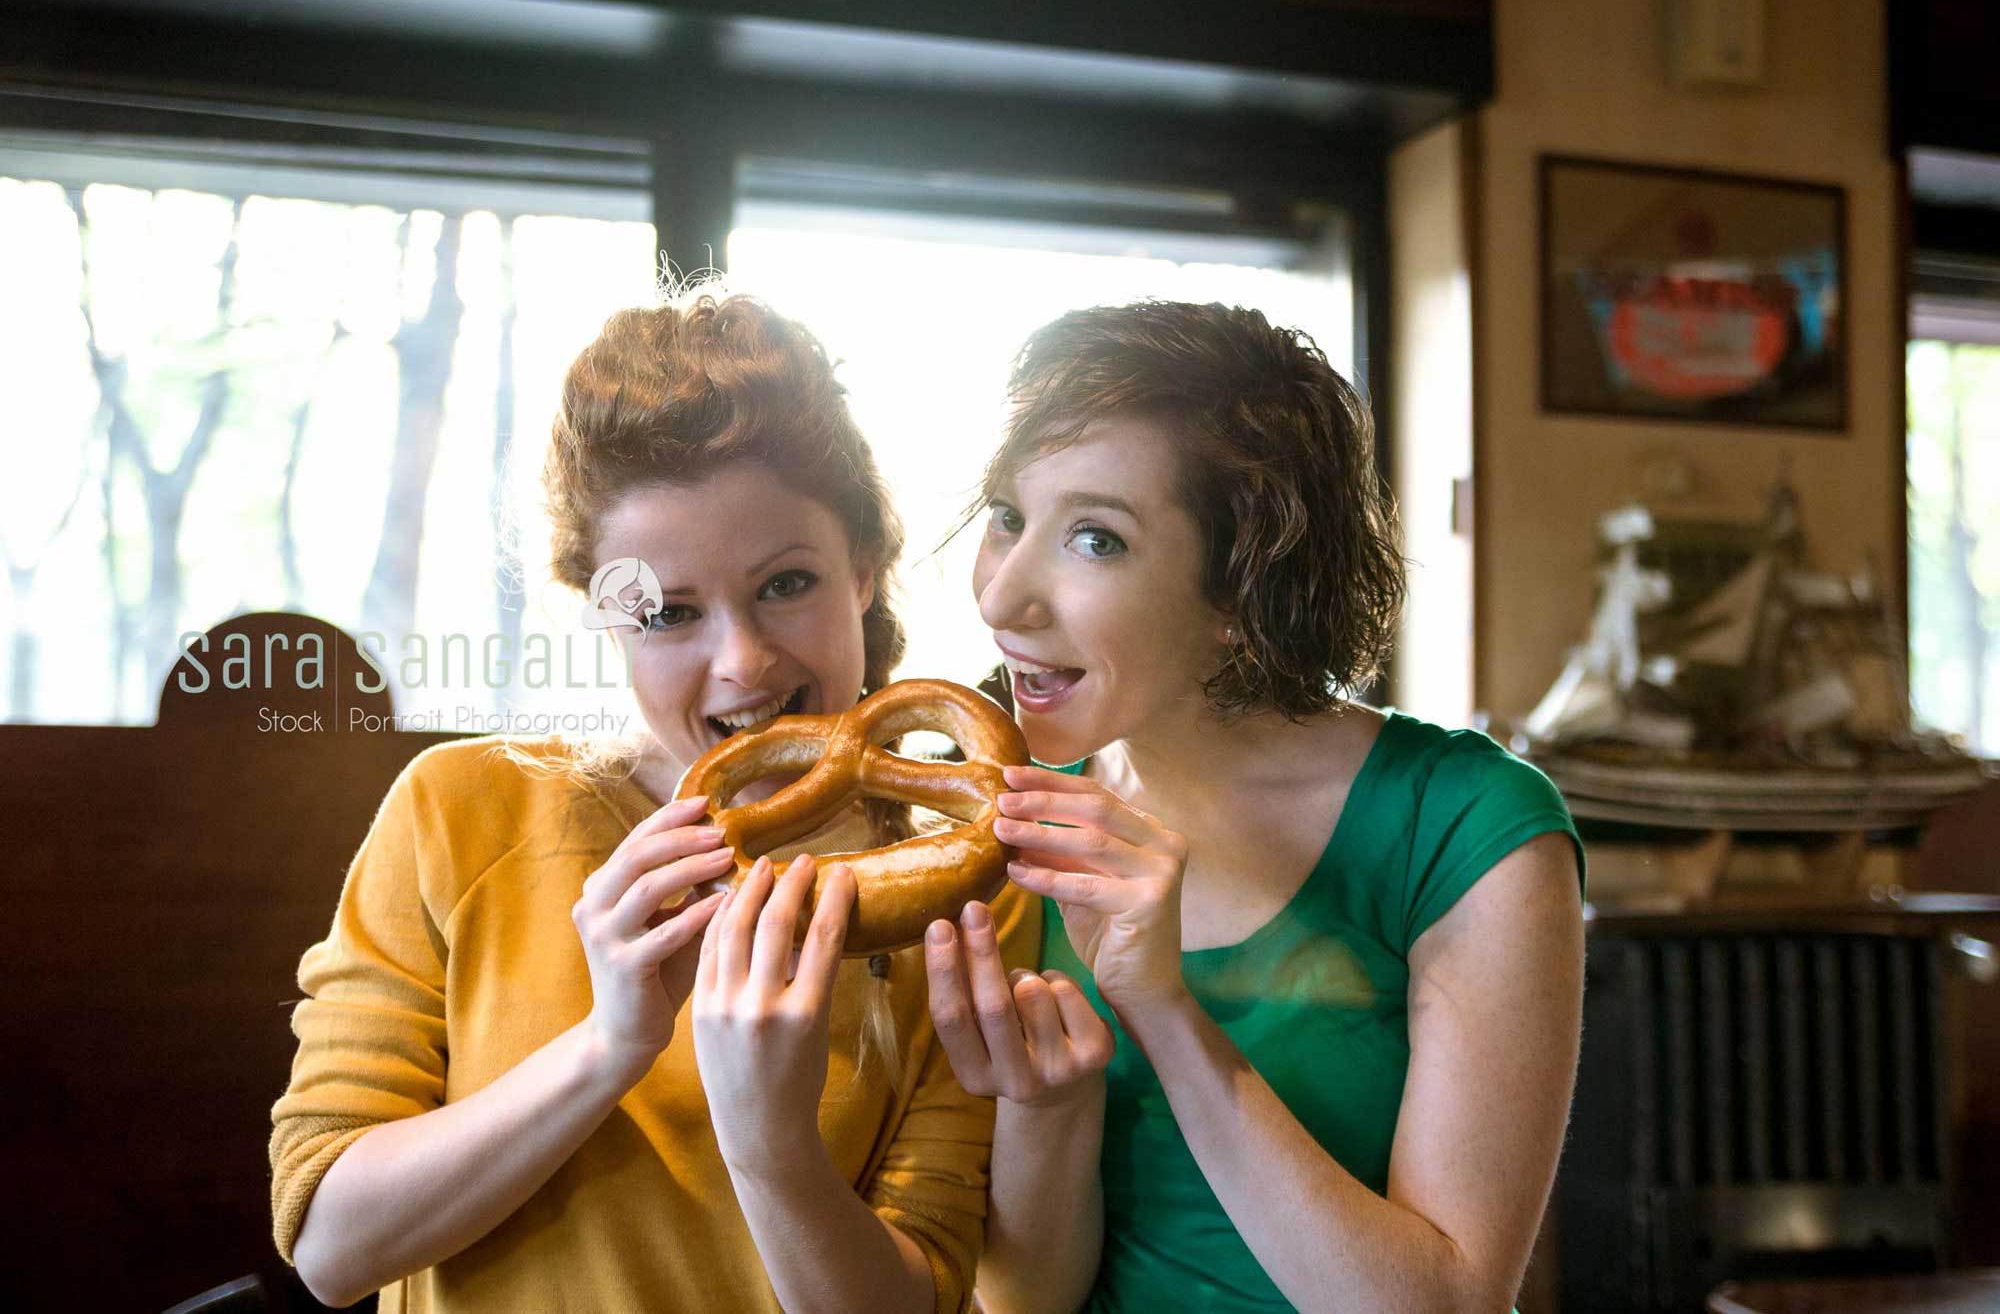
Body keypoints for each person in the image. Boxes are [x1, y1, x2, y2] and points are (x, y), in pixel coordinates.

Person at [270, 288, 1037, 1313]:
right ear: (605, 615)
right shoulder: (458, 811)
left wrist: (770, 1143)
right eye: (671, 612)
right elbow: (329, 1242)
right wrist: (610, 1042)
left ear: (862, 566)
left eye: (784, 583)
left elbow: (925, 1293)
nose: (743, 660)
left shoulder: (959, 885)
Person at [923, 300, 1586, 1313]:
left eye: (1094, 538)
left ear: (1242, 591)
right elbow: (1026, 1298)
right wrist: (1044, 1106)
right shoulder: (1000, 823)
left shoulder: (1466, 825)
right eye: (1008, 517)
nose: (1003, 596)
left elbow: (1444, 1303)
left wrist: (1164, 1009)